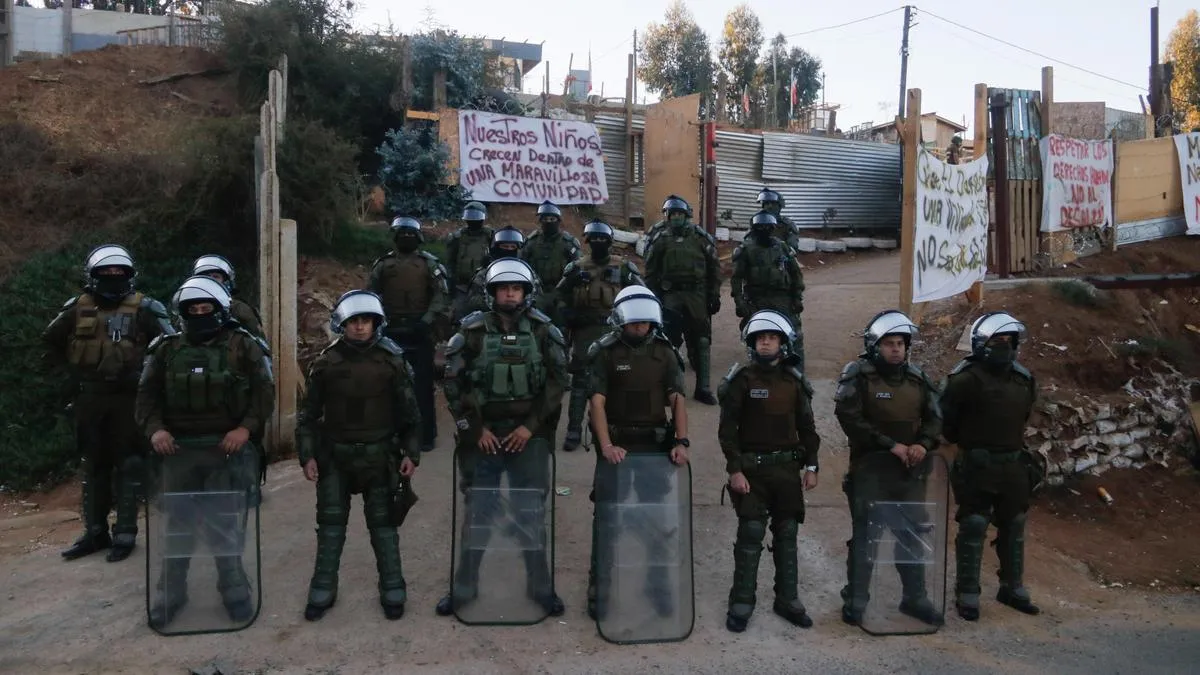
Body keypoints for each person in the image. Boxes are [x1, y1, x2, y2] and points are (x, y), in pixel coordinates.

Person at [136, 275, 275, 629]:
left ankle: (233, 588)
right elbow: (146, 398)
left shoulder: (243, 346)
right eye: (192, 308)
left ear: (219, 309)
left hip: (225, 450)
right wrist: (156, 430)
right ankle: (171, 592)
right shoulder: (165, 349)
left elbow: (263, 394)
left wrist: (245, 428)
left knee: (224, 524)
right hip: (177, 452)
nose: (199, 313)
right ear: (182, 312)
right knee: (178, 525)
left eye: (205, 307)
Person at [436, 258, 568, 618]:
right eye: (503, 288)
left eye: (516, 288)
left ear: (526, 292)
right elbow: (452, 384)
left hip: (528, 435)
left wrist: (530, 428)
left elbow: (558, 383)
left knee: (531, 512)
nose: (510, 294)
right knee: (478, 512)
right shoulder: (471, 332)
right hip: (483, 438)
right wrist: (474, 430)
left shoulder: (544, 331)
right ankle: (464, 589)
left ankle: (540, 588)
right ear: (492, 292)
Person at [43, 244, 175, 563]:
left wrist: (147, 378)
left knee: (129, 465)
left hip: (130, 400)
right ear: (93, 276)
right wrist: (71, 380)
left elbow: (171, 347)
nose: (113, 278)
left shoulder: (147, 307)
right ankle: (95, 533)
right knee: (94, 466)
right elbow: (51, 343)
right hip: (90, 399)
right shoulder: (77, 308)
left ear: (130, 275)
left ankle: (126, 532)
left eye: (120, 273)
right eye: (106, 273)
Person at [296, 290, 422, 622]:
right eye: (354, 321)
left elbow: (410, 414)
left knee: (383, 526)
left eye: (366, 321)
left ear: (376, 323)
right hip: (334, 456)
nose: (360, 327)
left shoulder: (392, 361)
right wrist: (307, 455)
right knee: (331, 525)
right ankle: (323, 586)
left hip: (379, 456)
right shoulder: (325, 363)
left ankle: (393, 586)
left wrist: (411, 453)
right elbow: (307, 415)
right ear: (343, 324)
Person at [585, 285, 689, 622]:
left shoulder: (666, 353)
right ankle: (600, 589)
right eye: (634, 323)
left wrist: (681, 441)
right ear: (621, 321)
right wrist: (606, 447)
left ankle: (656, 586)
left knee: (656, 521)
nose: (640, 328)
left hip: (654, 447)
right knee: (608, 519)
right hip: (616, 446)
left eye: (645, 323)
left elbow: (677, 399)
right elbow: (596, 403)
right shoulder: (604, 352)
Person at [834, 309, 942, 626]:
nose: (896, 349)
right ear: (874, 346)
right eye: (889, 343)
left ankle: (915, 598)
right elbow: (849, 418)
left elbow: (936, 417)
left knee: (911, 535)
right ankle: (856, 598)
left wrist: (924, 443)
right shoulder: (859, 375)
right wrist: (889, 444)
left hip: (910, 472)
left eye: (900, 343)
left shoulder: (918, 379)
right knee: (867, 534)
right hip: (871, 471)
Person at [718, 310, 820, 633]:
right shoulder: (741, 381)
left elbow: (808, 428)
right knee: (750, 534)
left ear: (782, 343)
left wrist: (812, 465)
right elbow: (728, 431)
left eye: (772, 337)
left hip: (787, 472)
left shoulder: (794, 382)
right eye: (760, 338)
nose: (766, 342)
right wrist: (734, 470)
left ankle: (787, 599)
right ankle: (742, 600)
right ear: (752, 343)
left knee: (787, 533)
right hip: (751, 472)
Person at [941, 311, 1041, 621]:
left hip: (1012, 464)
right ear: (982, 344)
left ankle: (1012, 586)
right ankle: (967, 591)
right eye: (998, 341)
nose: (1005, 347)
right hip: (976, 464)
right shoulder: (964, 380)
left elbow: (1023, 417)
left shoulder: (1023, 380)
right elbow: (947, 424)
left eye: (1009, 341)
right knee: (973, 524)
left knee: (1014, 524)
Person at [555, 219, 644, 451]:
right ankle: (574, 428)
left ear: (609, 242)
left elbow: (640, 292)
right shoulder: (577, 267)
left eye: (602, 240)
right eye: (593, 239)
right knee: (581, 382)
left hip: (615, 331)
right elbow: (558, 297)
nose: (598, 243)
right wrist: (570, 313)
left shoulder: (622, 267)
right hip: (586, 331)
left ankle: (621, 427)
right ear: (587, 241)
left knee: (621, 379)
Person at [369, 216, 450, 453]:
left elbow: (440, 295)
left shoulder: (429, 264)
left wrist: (425, 321)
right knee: (388, 384)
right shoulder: (383, 265)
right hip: (390, 331)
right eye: (401, 233)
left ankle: (426, 435)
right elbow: (371, 295)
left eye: (410, 234)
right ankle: (392, 434)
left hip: (420, 332)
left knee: (423, 386)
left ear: (418, 238)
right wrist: (379, 321)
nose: (406, 237)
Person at [644, 195, 722, 405]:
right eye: (672, 214)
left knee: (702, 340)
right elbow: (651, 271)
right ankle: (672, 387)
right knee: (669, 342)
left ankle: (703, 388)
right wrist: (653, 297)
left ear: (687, 215)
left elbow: (714, 267)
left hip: (696, 294)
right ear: (667, 217)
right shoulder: (660, 239)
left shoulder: (699, 237)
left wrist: (714, 293)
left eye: (680, 214)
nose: (676, 218)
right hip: (671, 295)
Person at [730, 211, 806, 371]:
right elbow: (736, 278)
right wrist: (739, 302)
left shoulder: (782, 247)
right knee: (754, 334)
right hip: (756, 299)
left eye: (768, 227)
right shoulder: (746, 250)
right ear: (754, 229)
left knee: (794, 334)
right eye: (760, 227)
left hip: (782, 298)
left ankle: (797, 374)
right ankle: (756, 372)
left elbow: (796, 274)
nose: (764, 230)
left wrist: (797, 297)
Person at [456, 226, 539, 323]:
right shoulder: (485, 273)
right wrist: (496, 303)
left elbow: (537, 297)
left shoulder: (526, 272)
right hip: (491, 320)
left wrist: (520, 305)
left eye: (513, 247)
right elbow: (473, 300)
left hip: (521, 319)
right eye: (505, 246)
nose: (509, 250)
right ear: (496, 247)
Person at [521, 200, 581, 324]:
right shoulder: (532, 242)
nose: (548, 222)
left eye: (552, 219)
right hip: (536, 293)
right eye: (545, 219)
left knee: (560, 328)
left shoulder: (568, 243)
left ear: (558, 220)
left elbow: (577, 268)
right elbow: (522, 266)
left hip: (560, 294)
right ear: (540, 221)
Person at [191, 254, 265, 340]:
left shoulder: (238, 308)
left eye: (216, 276)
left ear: (226, 281)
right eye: (206, 277)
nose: (210, 280)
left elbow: (257, 341)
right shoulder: (191, 308)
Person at [445, 201, 495, 321]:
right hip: (462, 286)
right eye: (470, 217)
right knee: (459, 318)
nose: (473, 221)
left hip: (483, 287)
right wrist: (450, 282)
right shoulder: (457, 237)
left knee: (486, 318)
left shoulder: (491, 236)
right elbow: (450, 261)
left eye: (476, 217)